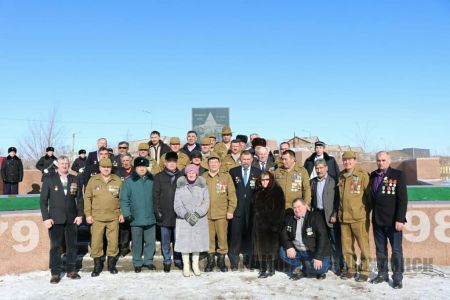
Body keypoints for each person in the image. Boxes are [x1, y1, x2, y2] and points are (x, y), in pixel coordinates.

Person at [40, 156, 83, 283]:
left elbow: (80, 199)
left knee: (72, 246)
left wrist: (80, 215)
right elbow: (43, 201)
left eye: (66, 163)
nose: (64, 165)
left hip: (71, 218)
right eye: (62, 163)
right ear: (57, 165)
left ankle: (71, 270)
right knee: (55, 247)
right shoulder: (49, 179)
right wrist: (46, 218)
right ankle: (55, 272)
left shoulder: (74, 179)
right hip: (55, 219)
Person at [368, 151, 408, 289]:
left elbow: (402, 200)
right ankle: (382, 274)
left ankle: (397, 277)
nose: (381, 162)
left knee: (396, 250)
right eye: (378, 160)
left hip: (393, 222)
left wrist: (400, 219)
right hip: (378, 220)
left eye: (383, 160)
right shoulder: (372, 175)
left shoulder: (398, 175)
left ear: (389, 161)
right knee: (380, 250)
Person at [84, 158, 124, 277]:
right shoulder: (93, 180)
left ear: (111, 168)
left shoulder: (117, 180)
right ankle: (97, 266)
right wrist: (88, 214)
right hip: (97, 217)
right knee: (96, 242)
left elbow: (122, 198)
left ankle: (111, 265)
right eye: (104, 167)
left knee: (113, 242)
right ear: (100, 168)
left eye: (108, 167)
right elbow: (87, 198)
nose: (106, 169)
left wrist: (122, 213)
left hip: (113, 217)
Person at [337, 151, 371, 282]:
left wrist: (363, 211)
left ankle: (364, 270)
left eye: (350, 160)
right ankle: (351, 269)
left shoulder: (362, 175)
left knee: (363, 246)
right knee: (346, 247)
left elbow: (369, 197)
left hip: (359, 217)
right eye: (345, 160)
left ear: (355, 160)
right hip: (344, 217)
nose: (347, 162)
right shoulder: (341, 176)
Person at [280, 198, 331, 280]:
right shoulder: (290, 218)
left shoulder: (315, 217)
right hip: (299, 252)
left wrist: (318, 257)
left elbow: (323, 237)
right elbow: (283, 233)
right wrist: (289, 246)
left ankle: (308, 266)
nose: (296, 209)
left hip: (313, 252)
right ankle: (298, 266)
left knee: (321, 269)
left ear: (305, 206)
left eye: (299, 207)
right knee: (283, 251)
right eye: (294, 207)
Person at [120, 157, 157, 273]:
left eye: (144, 166)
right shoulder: (129, 181)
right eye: (139, 167)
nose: (142, 169)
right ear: (135, 168)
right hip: (135, 218)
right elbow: (124, 200)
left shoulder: (152, 180)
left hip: (151, 217)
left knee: (150, 241)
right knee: (136, 242)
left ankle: (148, 261)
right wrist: (127, 214)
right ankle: (137, 262)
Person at [202, 153, 237, 272]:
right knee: (209, 239)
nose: (213, 164)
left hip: (222, 213)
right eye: (211, 163)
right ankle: (210, 261)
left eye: (216, 162)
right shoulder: (203, 177)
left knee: (222, 238)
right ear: (208, 164)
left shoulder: (225, 177)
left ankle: (221, 261)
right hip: (206, 214)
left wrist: (230, 210)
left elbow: (232, 195)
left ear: (219, 164)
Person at [174, 164, 210, 277]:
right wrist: (186, 215)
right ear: (186, 173)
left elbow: (206, 202)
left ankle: (195, 265)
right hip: (184, 219)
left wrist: (197, 213)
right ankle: (186, 265)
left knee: (197, 242)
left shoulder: (203, 186)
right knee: (184, 242)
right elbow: (177, 204)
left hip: (199, 219)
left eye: (193, 172)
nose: (191, 174)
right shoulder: (180, 186)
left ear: (196, 173)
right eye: (189, 172)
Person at [228, 150, 262, 271]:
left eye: (248, 159)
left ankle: (250, 260)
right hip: (237, 209)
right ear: (240, 160)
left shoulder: (258, 172)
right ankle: (233, 260)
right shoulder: (233, 172)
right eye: (244, 159)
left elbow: (260, 191)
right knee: (235, 235)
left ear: (252, 160)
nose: (246, 162)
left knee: (251, 236)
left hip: (252, 210)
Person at [310, 159, 344, 275]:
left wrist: (334, 214)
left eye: (321, 168)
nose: (319, 170)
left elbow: (338, 200)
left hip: (330, 216)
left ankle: (338, 265)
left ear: (326, 168)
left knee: (335, 242)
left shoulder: (334, 181)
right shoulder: (312, 182)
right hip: (318, 215)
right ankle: (325, 265)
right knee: (320, 240)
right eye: (317, 168)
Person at [153, 151, 183, 272]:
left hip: (178, 214)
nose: (171, 164)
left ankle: (178, 259)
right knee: (165, 240)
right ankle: (166, 260)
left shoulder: (182, 176)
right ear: (165, 163)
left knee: (178, 239)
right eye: (169, 162)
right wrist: (157, 212)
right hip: (164, 214)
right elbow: (155, 196)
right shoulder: (159, 176)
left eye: (174, 162)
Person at [253, 171, 285, 278]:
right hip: (260, 225)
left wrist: (275, 224)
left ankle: (271, 268)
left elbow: (280, 209)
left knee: (271, 247)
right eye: (263, 180)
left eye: (267, 179)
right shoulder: (257, 191)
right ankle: (262, 268)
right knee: (261, 247)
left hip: (272, 224)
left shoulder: (277, 190)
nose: (265, 182)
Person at [115, 153, 134, 257]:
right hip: (122, 201)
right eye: (123, 161)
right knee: (123, 227)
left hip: (135, 202)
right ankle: (124, 247)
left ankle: (136, 247)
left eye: (127, 160)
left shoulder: (136, 171)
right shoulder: (117, 172)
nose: (125, 162)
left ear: (131, 160)